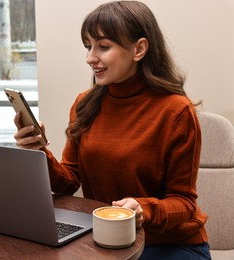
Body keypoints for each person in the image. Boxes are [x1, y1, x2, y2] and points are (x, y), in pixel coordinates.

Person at [13, 1, 211, 259]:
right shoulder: (84, 103)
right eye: (88, 46)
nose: (90, 58)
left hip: (169, 244)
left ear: (139, 48)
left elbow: (183, 202)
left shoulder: (176, 111)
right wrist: (39, 152)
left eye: (103, 47)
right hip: (106, 241)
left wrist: (143, 209)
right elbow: (69, 181)